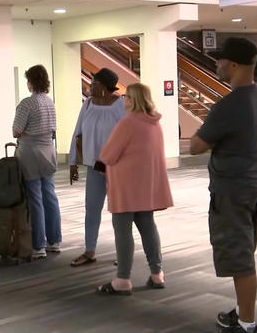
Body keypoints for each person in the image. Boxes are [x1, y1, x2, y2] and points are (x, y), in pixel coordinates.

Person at [190, 38, 257, 333]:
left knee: (240, 260)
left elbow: (195, 146)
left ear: (233, 65)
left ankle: (246, 324)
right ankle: (241, 311)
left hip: (234, 190)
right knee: (244, 253)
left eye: (220, 59)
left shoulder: (230, 104)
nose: (216, 64)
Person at [97, 83, 173, 296]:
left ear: (134, 99)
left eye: (127, 97)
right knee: (148, 226)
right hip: (146, 184)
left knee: (122, 230)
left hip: (126, 184)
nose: (124, 100)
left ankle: (122, 279)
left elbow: (108, 155)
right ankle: (157, 274)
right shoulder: (154, 123)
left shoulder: (128, 122)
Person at [68, 68, 126, 267]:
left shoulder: (121, 105)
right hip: (94, 165)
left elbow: (128, 136)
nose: (90, 87)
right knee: (92, 208)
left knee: (120, 212)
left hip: (117, 167)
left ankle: (123, 252)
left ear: (105, 87)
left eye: (94, 84)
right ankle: (89, 250)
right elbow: (78, 131)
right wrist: (73, 162)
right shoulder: (88, 104)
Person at [12, 64, 61, 260]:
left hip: (30, 153)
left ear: (30, 82)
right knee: (50, 195)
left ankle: (38, 244)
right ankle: (54, 240)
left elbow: (16, 130)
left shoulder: (26, 104)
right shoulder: (50, 102)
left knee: (35, 198)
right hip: (48, 150)